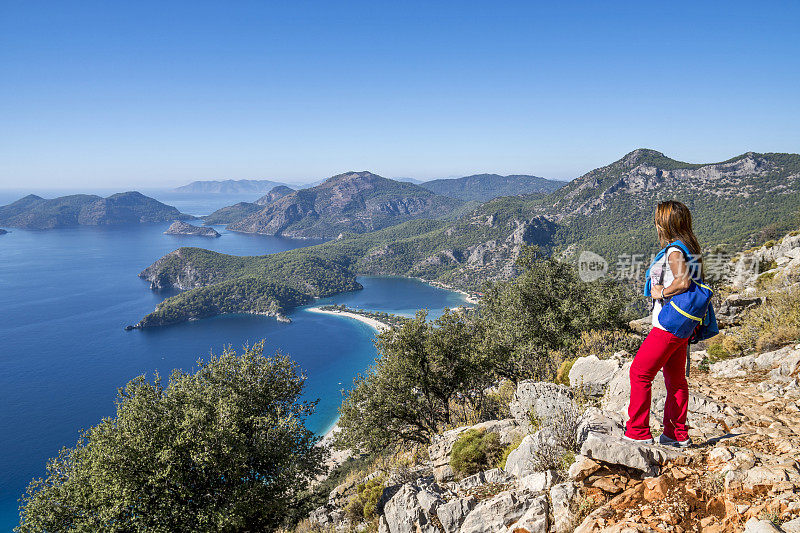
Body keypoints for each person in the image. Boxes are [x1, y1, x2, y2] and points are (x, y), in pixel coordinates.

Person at [624, 200, 703, 447]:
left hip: (668, 325)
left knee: (639, 373)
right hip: (682, 327)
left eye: (657, 219)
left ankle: (637, 432)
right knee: (676, 380)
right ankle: (675, 434)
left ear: (664, 224)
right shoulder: (687, 247)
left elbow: (683, 282)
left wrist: (661, 292)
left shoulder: (674, 251)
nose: (655, 223)